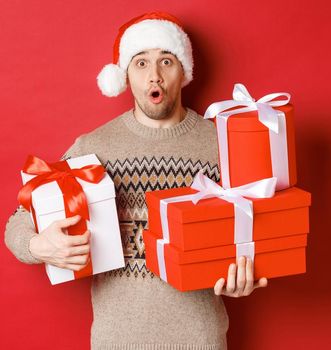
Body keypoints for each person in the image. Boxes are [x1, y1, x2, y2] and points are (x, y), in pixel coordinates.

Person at [4, 11, 266, 350]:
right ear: (125, 74)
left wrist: (246, 275)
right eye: (141, 63)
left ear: (183, 70)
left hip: (200, 340)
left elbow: (259, 234)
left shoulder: (221, 144)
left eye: (166, 61)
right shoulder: (93, 148)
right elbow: (17, 222)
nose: (154, 76)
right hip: (116, 342)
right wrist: (39, 245)